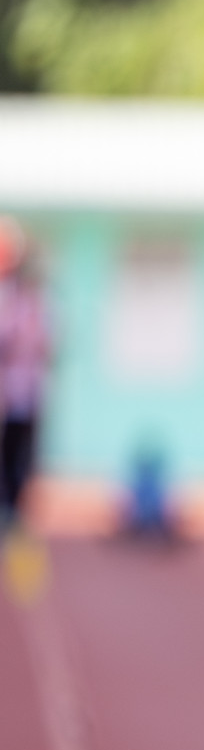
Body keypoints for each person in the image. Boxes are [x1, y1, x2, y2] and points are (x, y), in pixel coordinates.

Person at [0, 219, 51, 531]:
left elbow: (46, 343)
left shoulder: (38, 302)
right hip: (8, 390)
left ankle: (14, 511)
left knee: (22, 454)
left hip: (28, 391)